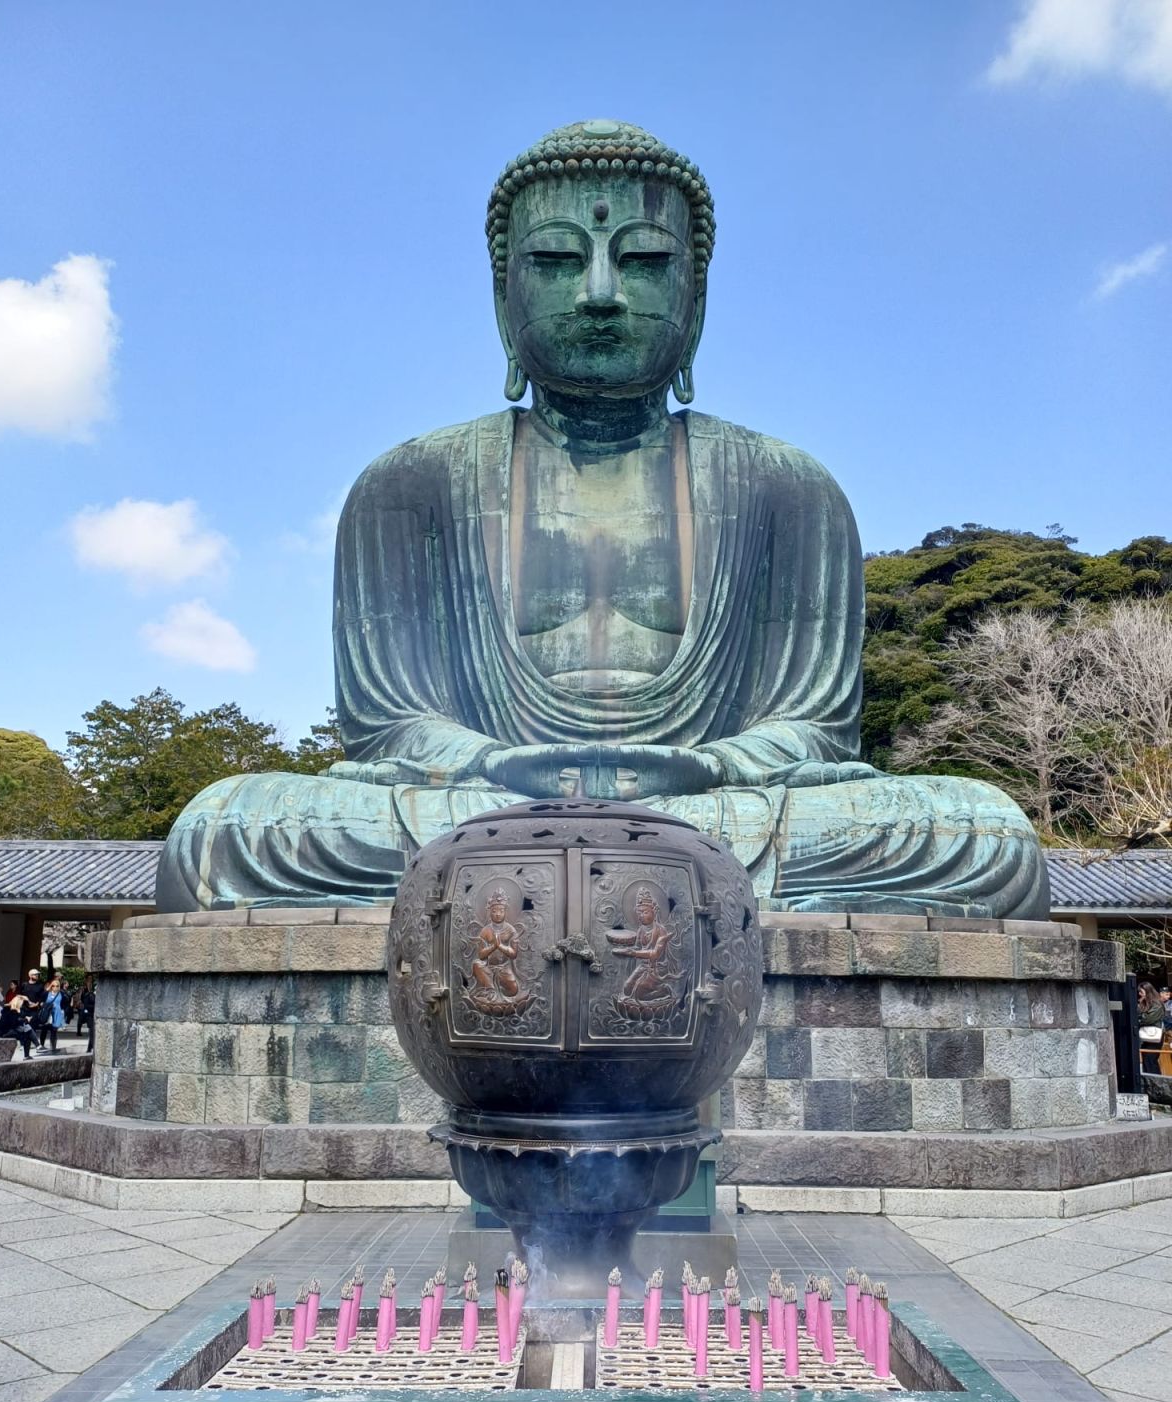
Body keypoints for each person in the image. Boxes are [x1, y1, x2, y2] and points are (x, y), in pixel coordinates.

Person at [155, 119, 1048, 920]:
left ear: (696, 299)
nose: (598, 291)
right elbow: (389, 726)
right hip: (483, 804)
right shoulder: (410, 485)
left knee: (981, 834)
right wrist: (497, 766)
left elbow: (814, 730)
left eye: (645, 262)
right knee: (227, 832)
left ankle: (561, 876)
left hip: (714, 807)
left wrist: (711, 767)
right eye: (552, 261)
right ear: (503, 298)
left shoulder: (788, 487)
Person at [1137, 981, 1166, 1077]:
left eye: (1141, 992)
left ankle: (1155, 1082)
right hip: (1148, 1036)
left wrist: (1139, 1018)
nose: (1140, 994)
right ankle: (1151, 1081)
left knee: (1150, 1060)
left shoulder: (1157, 1004)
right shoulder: (1145, 1003)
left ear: (1147, 991)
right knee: (1147, 1059)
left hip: (1154, 1036)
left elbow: (1148, 1019)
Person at [0, 993, 39, 1059]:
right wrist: (25, 1020)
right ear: (18, 1003)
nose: (22, 1005)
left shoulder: (16, 1009)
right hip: (5, 1032)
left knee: (27, 1031)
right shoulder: (9, 1009)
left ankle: (28, 1054)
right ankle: (37, 1046)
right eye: (21, 1003)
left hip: (12, 1030)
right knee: (27, 1030)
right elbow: (14, 1023)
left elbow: (18, 1021)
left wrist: (25, 1019)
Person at [38, 977, 65, 1055]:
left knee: (54, 1031)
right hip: (48, 1014)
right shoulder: (47, 993)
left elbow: (64, 1003)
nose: (55, 987)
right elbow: (41, 1000)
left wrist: (62, 1012)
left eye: (57, 986)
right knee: (44, 1030)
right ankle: (41, 1046)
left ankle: (53, 1047)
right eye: (53, 986)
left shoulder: (61, 994)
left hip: (56, 1015)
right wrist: (48, 988)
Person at [77, 977, 96, 1051]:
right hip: (89, 1014)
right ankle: (91, 1047)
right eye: (89, 982)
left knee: (92, 1031)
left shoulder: (91, 992)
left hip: (91, 1013)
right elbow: (86, 1004)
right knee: (92, 1030)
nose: (90, 984)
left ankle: (89, 1047)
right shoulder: (86, 993)